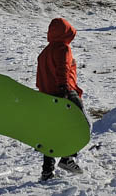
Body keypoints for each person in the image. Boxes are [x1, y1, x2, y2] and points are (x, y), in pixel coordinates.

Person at [36, 17, 85, 181]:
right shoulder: (63, 48)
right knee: (80, 123)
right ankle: (67, 158)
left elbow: (40, 76)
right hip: (63, 92)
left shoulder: (44, 52)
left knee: (51, 131)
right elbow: (63, 68)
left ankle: (47, 171)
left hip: (47, 95)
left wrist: (44, 92)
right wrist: (64, 88)